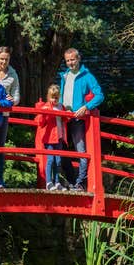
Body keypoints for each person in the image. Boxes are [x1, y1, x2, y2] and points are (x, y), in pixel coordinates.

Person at [59, 48, 104, 191]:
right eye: (68, 60)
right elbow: (61, 95)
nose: (70, 63)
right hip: (64, 116)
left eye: (73, 59)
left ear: (78, 59)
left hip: (78, 117)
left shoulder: (87, 76)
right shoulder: (64, 76)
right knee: (61, 149)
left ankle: (81, 183)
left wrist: (86, 107)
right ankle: (72, 181)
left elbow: (99, 95)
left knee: (81, 150)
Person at [0, 46, 20, 188]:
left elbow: (16, 96)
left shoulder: (13, 74)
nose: (4, 61)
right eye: (1, 58)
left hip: (3, 115)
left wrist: (12, 100)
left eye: (6, 59)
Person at [35, 84, 68, 191]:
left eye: (56, 97)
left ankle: (57, 182)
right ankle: (49, 182)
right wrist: (42, 113)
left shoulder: (60, 106)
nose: (54, 99)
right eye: (52, 97)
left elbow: (66, 119)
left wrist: (67, 112)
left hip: (59, 137)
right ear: (48, 97)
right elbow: (40, 122)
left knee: (58, 161)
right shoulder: (46, 107)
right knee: (50, 160)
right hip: (49, 138)